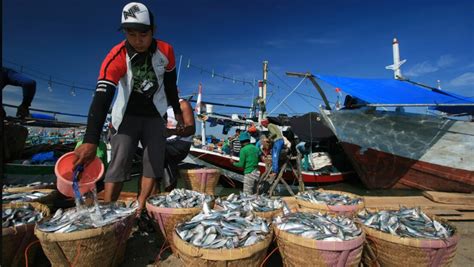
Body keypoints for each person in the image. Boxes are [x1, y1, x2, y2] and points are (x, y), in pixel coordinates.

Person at [73, 2, 183, 215]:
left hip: (154, 116)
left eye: (143, 34)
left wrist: (176, 111)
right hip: (126, 117)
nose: (137, 40)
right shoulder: (116, 55)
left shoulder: (166, 51)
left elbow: (170, 85)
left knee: (153, 163)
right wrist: (90, 139)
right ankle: (107, 210)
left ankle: (140, 209)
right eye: (131, 34)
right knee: (118, 163)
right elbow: (102, 97)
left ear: (153, 31)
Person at [161, 98, 195, 192]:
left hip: (181, 142)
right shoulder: (158, 105)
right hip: (163, 142)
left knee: (161, 152)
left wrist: (171, 131)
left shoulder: (182, 104)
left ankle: (169, 192)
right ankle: (153, 194)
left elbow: (191, 129)